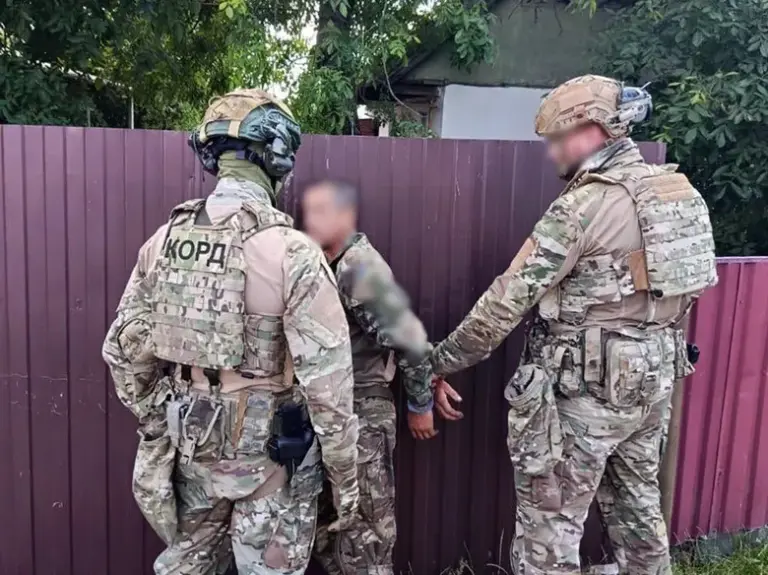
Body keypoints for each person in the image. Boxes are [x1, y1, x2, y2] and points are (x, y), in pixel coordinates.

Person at [429, 75, 718, 575]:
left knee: (550, 531)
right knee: (639, 516)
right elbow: (690, 288)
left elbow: (505, 302)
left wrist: (439, 363)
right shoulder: (677, 193)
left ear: (592, 129)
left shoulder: (582, 207)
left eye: (557, 139)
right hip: (652, 385)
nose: (551, 152)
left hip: (584, 395)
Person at [102, 90, 360, 575]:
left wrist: (162, 417)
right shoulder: (292, 253)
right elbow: (330, 391)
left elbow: (122, 350)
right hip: (272, 464)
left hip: (191, 449)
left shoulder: (163, 242)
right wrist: (347, 481)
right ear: (277, 156)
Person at [301, 180, 463, 575]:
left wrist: (420, 404)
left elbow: (408, 339)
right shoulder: (331, 265)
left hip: (364, 414)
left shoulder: (360, 268)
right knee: (328, 527)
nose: (310, 222)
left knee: (367, 532)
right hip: (332, 412)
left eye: (321, 213)